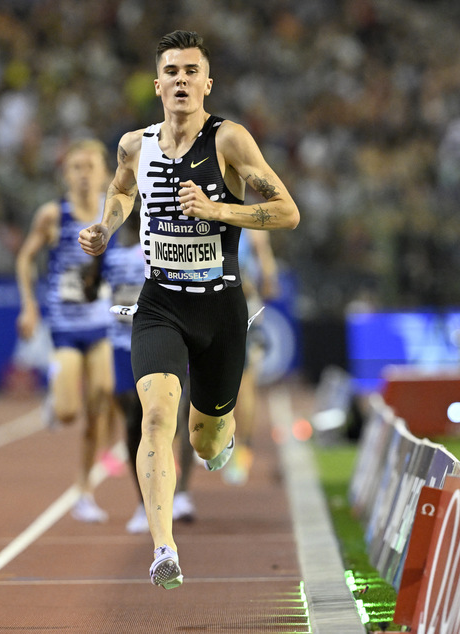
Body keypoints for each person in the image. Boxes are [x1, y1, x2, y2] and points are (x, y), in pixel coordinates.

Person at [78, 30, 299, 589]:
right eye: (171, 71)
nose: (181, 80)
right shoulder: (136, 144)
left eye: (190, 71)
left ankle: (218, 442)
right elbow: (122, 189)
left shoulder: (229, 141)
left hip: (221, 309)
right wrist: (107, 226)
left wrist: (218, 209)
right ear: (157, 85)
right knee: (155, 417)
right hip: (160, 306)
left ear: (206, 83)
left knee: (203, 440)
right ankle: (164, 549)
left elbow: (287, 212)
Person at [16, 138, 115, 524]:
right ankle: (56, 399)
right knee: (70, 413)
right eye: (77, 167)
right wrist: (28, 305)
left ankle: (85, 490)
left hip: (103, 325)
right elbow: (25, 259)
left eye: (91, 167)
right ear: (66, 174)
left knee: (103, 399)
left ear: (105, 172)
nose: (85, 174)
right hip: (65, 326)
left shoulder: (116, 210)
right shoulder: (52, 215)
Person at [101, 210, 198, 534]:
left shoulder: (166, 236)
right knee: (132, 419)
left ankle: (181, 491)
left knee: (178, 414)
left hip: (167, 336)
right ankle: (144, 500)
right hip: (122, 342)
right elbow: (89, 287)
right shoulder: (112, 249)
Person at [225, 229, 281, 486]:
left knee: (242, 384)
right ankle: (237, 450)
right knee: (240, 383)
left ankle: (239, 450)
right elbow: (271, 285)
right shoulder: (253, 229)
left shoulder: (249, 230)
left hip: (237, 310)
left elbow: (269, 283)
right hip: (236, 309)